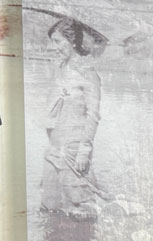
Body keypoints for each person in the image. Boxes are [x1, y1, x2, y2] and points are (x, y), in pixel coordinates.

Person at [41, 17, 105, 218]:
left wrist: (84, 151)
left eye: (58, 41)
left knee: (79, 208)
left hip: (74, 151)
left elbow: (93, 115)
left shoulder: (89, 74)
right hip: (54, 150)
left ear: (73, 41)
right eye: (53, 42)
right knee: (49, 207)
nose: (55, 47)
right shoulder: (59, 70)